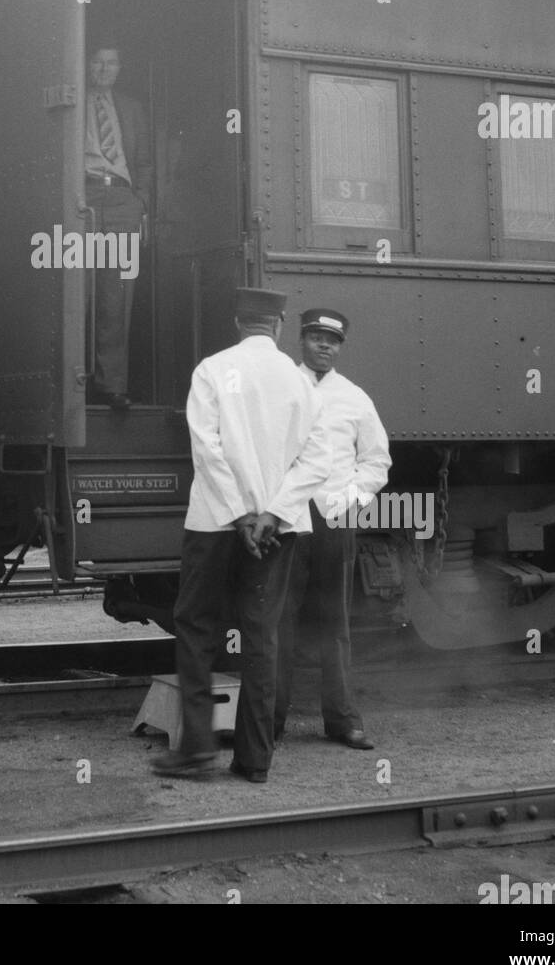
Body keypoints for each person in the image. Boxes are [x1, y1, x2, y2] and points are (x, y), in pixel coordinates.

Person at [152, 287, 331, 783]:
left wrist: (238, 516)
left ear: (237, 322)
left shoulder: (211, 370)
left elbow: (206, 450)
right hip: (278, 528)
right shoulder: (302, 384)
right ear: (278, 325)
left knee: (196, 631)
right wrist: (270, 515)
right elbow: (317, 459)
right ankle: (255, 760)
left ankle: (196, 750)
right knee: (262, 637)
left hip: (214, 523)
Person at [274, 308, 391, 751]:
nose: (324, 346)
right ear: (301, 340)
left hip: (334, 518)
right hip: (288, 516)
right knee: (279, 621)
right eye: (317, 337)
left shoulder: (355, 397)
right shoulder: (283, 388)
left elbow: (377, 460)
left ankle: (342, 720)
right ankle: (270, 720)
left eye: (333, 340)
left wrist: (353, 499)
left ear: (341, 348)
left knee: (334, 622)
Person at [84, 45, 151, 410]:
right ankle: (73, 382)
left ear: (120, 68)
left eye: (111, 63)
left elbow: (143, 161)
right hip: (84, 198)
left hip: (122, 201)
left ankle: (112, 387)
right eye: (97, 62)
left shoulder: (130, 107)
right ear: (86, 65)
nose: (104, 69)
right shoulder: (75, 101)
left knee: (116, 295)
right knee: (78, 292)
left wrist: (139, 200)